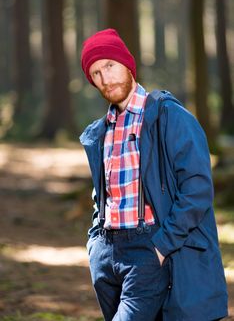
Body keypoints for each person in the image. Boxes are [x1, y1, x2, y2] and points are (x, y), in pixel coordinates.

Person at [79, 28, 228, 321]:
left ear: (128, 64)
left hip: (149, 246)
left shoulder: (169, 117)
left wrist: (161, 246)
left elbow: (196, 189)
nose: (105, 78)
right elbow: (103, 194)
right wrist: (95, 242)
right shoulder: (100, 132)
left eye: (110, 65)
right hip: (107, 255)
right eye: (96, 73)